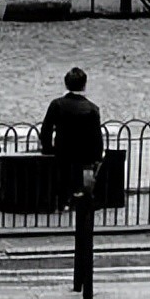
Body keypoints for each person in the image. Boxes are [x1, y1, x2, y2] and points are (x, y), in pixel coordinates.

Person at [39, 67, 105, 208]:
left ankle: (63, 203)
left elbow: (46, 130)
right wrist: (97, 157)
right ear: (84, 85)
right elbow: (97, 137)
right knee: (79, 185)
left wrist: (48, 149)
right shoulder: (92, 108)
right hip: (84, 155)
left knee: (62, 182)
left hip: (62, 152)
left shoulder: (57, 104)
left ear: (66, 84)